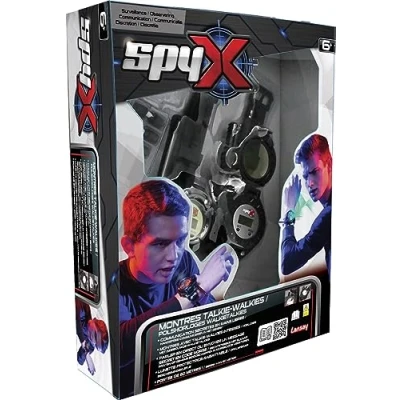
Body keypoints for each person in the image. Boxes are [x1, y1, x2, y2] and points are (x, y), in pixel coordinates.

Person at [116, 179, 235, 398]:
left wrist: (203, 297)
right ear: (129, 246)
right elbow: (119, 347)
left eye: (180, 241)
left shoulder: (184, 261)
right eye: (160, 244)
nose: (173, 256)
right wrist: (197, 289)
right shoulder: (114, 284)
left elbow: (208, 327)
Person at [280, 134, 332, 279]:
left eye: (315, 172)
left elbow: (288, 262)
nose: (310, 183)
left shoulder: (329, 216)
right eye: (305, 176)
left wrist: (289, 213)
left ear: (329, 165)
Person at [75, 297, 109, 375]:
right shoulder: (82, 305)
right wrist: (83, 342)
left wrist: (86, 353)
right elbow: (77, 321)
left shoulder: (89, 344)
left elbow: (79, 360)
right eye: (95, 335)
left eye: (95, 342)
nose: (92, 338)